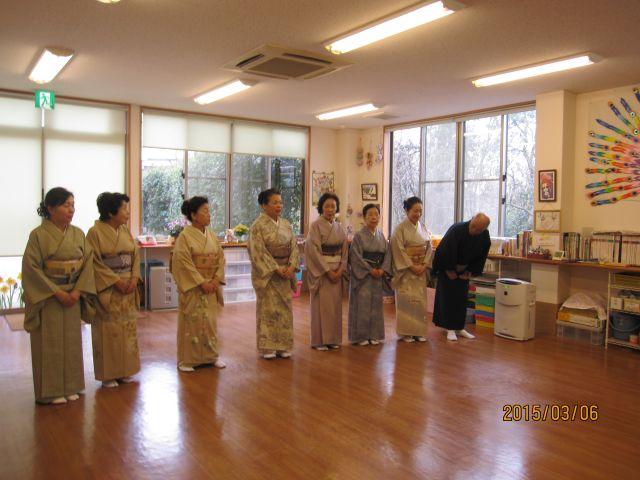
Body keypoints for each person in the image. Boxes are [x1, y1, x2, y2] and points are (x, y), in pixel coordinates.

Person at [21, 187, 96, 404]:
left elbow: (88, 263)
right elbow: (31, 268)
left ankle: (71, 385)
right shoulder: (38, 235)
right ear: (51, 208)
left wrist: (77, 291)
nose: (71, 210)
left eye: (73, 205)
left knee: (72, 341)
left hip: (73, 294)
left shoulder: (78, 234)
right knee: (50, 341)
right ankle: (51, 391)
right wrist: (56, 292)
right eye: (66, 205)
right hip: (49, 297)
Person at [86, 192, 141, 388]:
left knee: (127, 329)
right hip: (109, 290)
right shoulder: (94, 233)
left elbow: (136, 256)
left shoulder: (125, 231)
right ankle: (108, 374)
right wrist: (116, 281)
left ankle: (125, 370)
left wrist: (134, 278)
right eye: (124, 208)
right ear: (111, 212)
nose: (127, 212)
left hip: (128, 287)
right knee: (108, 331)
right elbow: (94, 262)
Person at [171, 196, 226, 372]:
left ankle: (211, 356)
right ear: (194, 215)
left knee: (210, 322)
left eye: (209, 211)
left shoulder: (211, 235)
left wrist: (216, 279)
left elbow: (220, 258)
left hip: (211, 285)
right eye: (205, 211)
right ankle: (188, 360)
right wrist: (201, 282)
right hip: (194, 286)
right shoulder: (184, 237)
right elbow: (183, 263)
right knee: (192, 322)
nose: (209, 215)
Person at [247, 188, 299, 360]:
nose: (279, 206)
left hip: (285, 271)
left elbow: (294, 247)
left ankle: (283, 345)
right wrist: (276, 268)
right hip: (269, 275)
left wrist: (291, 267)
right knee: (268, 309)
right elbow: (258, 251)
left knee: (284, 309)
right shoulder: (257, 226)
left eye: (280, 202)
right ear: (264, 205)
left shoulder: (286, 224)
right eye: (274, 202)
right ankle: (268, 347)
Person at [432, 213, 491, 341]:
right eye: (473, 227)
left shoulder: (484, 236)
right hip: (448, 269)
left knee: (461, 299)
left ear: (484, 229)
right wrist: (448, 269)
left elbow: (482, 255)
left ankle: (459, 327)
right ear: (471, 220)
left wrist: (470, 271)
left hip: (464, 271)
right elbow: (443, 250)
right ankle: (449, 328)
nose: (474, 231)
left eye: (478, 230)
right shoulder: (457, 229)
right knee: (447, 299)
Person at [305, 193, 348, 350]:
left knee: (334, 307)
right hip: (323, 272)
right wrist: (327, 271)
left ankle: (333, 339)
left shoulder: (339, 227)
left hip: (337, 270)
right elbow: (313, 251)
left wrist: (341, 269)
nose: (330, 209)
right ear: (321, 208)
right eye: (327, 206)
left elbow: (344, 251)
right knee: (321, 306)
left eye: (333, 206)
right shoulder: (315, 226)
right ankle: (319, 341)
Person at [348, 203, 392, 346]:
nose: (374, 218)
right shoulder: (359, 236)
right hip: (364, 276)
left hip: (377, 274)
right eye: (370, 215)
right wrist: (369, 269)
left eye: (376, 214)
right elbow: (355, 257)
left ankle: (374, 334)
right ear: (365, 218)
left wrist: (382, 269)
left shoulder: (381, 236)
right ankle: (360, 336)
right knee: (362, 304)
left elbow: (387, 255)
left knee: (376, 305)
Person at [390, 197, 432, 343]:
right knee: (406, 300)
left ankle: (418, 331)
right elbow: (398, 249)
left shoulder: (423, 227)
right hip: (406, 271)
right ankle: (406, 332)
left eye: (420, 211)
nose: (418, 214)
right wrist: (412, 266)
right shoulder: (399, 229)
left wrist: (425, 264)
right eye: (415, 211)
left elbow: (429, 246)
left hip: (420, 269)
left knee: (419, 302)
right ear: (407, 210)